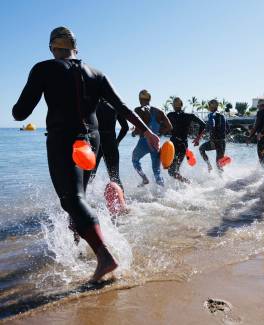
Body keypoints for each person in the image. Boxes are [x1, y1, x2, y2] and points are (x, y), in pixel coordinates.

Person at [12, 27, 160, 282]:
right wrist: (148, 132)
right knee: (76, 198)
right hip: (93, 142)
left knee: (72, 199)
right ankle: (78, 246)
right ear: (75, 48)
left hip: (65, 140)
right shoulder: (96, 73)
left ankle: (104, 257)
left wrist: (18, 107)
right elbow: (122, 106)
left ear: (52, 48)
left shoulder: (44, 69)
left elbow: (20, 113)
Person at [131, 90, 172, 186]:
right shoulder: (159, 111)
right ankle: (164, 193)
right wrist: (159, 134)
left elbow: (139, 128)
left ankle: (144, 178)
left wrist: (134, 133)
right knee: (157, 171)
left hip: (143, 142)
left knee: (134, 160)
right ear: (149, 99)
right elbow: (169, 126)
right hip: (155, 145)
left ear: (139, 99)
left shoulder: (138, 110)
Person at [89, 99, 129, 190]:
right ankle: (123, 203)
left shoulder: (92, 104)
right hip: (110, 142)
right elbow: (125, 127)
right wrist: (117, 141)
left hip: (96, 143)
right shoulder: (114, 105)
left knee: (89, 176)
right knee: (115, 177)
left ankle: (83, 202)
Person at [166, 97, 206, 183]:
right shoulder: (188, 116)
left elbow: (161, 127)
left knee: (172, 171)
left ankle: (187, 183)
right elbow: (203, 124)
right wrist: (198, 138)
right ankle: (182, 187)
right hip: (180, 145)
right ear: (182, 105)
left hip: (174, 145)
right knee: (174, 170)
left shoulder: (170, 115)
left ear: (173, 106)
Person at [199, 99, 230, 173]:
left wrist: (212, 140)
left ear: (212, 106)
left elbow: (212, 125)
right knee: (219, 164)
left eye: (209, 105)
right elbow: (228, 130)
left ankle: (209, 165)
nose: (208, 107)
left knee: (201, 149)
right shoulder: (223, 115)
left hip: (215, 141)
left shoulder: (212, 114)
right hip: (222, 142)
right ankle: (223, 180)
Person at [247, 99, 264, 166]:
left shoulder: (260, 112)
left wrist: (250, 137)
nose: (258, 108)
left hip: (262, 138)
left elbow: (257, 125)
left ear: (260, 106)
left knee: (261, 158)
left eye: (258, 106)